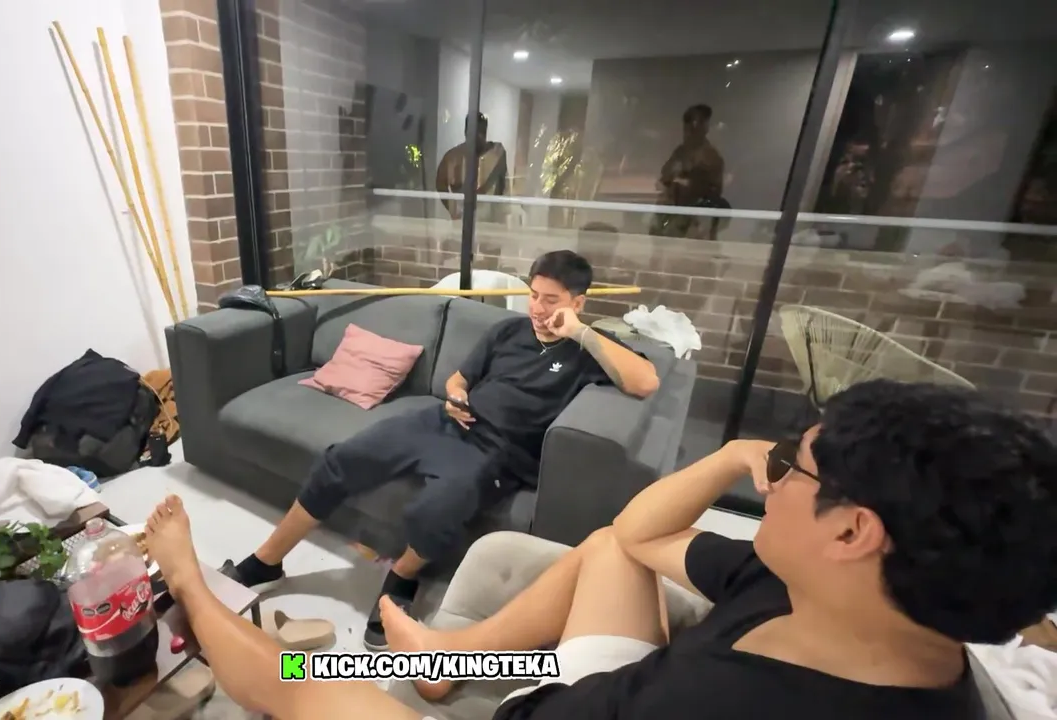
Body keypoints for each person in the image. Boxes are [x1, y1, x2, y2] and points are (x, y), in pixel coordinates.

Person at [373, 379, 1057, 719]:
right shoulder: (826, 593)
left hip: (579, 702)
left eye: (790, 464)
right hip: (640, 676)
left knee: (319, 692)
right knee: (611, 545)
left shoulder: (721, 702)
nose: (771, 480)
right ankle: (447, 660)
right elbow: (639, 534)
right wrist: (730, 454)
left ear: (851, 532)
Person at [219, 250, 659, 650]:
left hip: (498, 451)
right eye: (533, 296)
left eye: (551, 300)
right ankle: (266, 562)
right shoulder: (508, 330)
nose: (538, 309)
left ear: (578, 302)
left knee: (436, 509)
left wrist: (579, 332)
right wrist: (454, 395)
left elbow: (646, 382)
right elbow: (458, 379)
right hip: (444, 422)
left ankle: (401, 579)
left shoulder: (588, 350)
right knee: (341, 459)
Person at [651, 103, 726, 238]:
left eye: (698, 123)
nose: (691, 129)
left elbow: (714, 193)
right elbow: (664, 177)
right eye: (689, 124)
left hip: (697, 222)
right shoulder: (680, 152)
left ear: (705, 127)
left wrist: (684, 183)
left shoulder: (711, 157)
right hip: (674, 217)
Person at [436, 112, 509, 220]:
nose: (478, 137)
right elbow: (440, 185)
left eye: (481, 132)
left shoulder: (496, 153)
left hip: (488, 220)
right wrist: (453, 209)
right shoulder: (453, 157)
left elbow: (502, 187)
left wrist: (499, 212)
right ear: (466, 132)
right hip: (462, 219)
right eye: (474, 132)